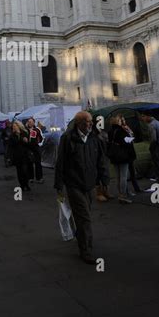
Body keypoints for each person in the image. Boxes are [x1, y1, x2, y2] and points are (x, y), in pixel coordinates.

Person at [54, 111, 107, 264]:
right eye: (87, 122)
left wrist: (103, 178)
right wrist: (59, 185)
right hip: (74, 184)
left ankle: (81, 237)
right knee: (85, 218)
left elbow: (100, 159)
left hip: (89, 184)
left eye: (91, 121)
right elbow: (61, 162)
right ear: (78, 123)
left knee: (83, 216)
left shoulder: (94, 138)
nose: (90, 124)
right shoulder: (67, 138)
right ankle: (86, 250)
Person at [107, 115, 134, 204]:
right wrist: (129, 137)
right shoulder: (121, 131)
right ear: (117, 121)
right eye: (119, 120)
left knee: (118, 176)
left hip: (114, 155)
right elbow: (126, 142)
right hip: (123, 156)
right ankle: (123, 195)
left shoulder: (110, 131)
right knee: (123, 176)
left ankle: (120, 194)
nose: (121, 121)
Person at [140, 112, 159, 184]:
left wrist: (151, 148)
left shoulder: (152, 125)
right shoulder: (158, 122)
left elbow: (153, 139)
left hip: (157, 148)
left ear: (148, 116)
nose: (143, 119)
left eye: (143, 116)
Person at [119, 116, 141, 194]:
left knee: (132, 171)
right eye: (121, 120)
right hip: (125, 152)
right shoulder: (119, 129)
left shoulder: (126, 127)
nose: (123, 121)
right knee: (124, 174)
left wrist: (130, 133)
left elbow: (132, 135)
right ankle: (126, 191)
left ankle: (136, 187)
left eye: (124, 119)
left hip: (130, 151)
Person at [9, 121, 31, 192]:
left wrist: (26, 141)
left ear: (19, 126)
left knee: (25, 170)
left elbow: (28, 144)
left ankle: (26, 184)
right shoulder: (12, 135)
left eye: (15, 126)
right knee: (19, 171)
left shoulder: (25, 133)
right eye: (13, 127)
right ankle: (22, 185)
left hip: (24, 155)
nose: (14, 127)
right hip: (17, 156)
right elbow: (12, 144)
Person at [25, 117, 44, 184]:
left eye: (31, 122)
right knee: (29, 163)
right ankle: (30, 178)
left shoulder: (37, 130)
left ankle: (39, 178)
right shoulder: (25, 130)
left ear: (33, 123)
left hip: (36, 148)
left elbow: (41, 138)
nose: (29, 123)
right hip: (28, 148)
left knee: (38, 163)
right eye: (28, 121)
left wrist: (39, 140)